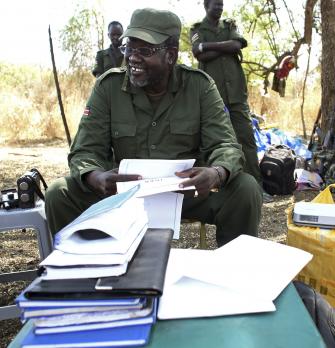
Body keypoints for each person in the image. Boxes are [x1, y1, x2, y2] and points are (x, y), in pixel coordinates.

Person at [46, 8, 262, 247]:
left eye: (145, 51)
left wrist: (216, 173)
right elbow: (85, 149)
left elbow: (225, 144)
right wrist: (95, 176)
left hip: (185, 193)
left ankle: (232, 276)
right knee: (59, 193)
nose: (132, 58)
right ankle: (86, 274)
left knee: (245, 188)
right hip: (123, 195)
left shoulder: (199, 87)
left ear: (170, 55)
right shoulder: (108, 87)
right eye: (130, 48)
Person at [189, 0, 272, 202]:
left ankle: (256, 187)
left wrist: (207, 47)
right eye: (215, 4)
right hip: (212, 97)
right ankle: (214, 187)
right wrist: (223, 48)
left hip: (236, 94)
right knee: (212, 142)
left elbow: (236, 44)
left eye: (221, 4)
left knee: (246, 140)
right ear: (206, 6)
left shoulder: (230, 25)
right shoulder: (197, 29)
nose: (219, 7)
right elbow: (198, 53)